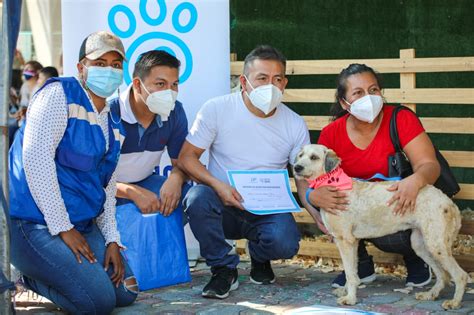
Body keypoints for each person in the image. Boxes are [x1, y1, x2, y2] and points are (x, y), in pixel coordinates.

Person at [9, 30, 138, 314]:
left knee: (126, 291)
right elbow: (36, 158)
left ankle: (58, 274)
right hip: (35, 225)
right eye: (100, 63)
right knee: (98, 303)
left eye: (116, 65)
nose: (109, 71)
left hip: (80, 223)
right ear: (82, 68)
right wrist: (63, 227)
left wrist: (112, 240)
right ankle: (29, 280)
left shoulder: (113, 120)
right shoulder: (59, 95)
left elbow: (107, 188)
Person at [178, 45, 312, 299]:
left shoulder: (294, 123)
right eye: (262, 78)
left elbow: (303, 178)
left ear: (284, 83)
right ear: (244, 81)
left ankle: (260, 257)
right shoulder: (216, 109)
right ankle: (223, 269)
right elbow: (187, 157)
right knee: (196, 199)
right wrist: (218, 185)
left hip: (267, 208)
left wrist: (317, 214)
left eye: (277, 79)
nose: (270, 86)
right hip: (223, 202)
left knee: (285, 243)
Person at [307, 63, 440, 289]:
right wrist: (313, 197)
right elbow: (318, 180)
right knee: (333, 208)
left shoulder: (400, 119)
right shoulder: (331, 133)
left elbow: (430, 165)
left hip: (399, 203)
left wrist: (415, 181)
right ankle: (360, 266)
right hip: (356, 209)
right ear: (344, 103)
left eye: (373, 90)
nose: (368, 98)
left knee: (392, 236)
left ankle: (416, 259)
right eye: (358, 93)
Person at [110, 49, 189, 216]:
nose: (170, 92)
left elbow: (181, 162)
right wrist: (132, 192)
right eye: (160, 84)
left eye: (174, 84)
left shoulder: (175, 112)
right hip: (108, 189)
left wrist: (176, 178)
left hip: (147, 181)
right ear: (138, 85)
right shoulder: (109, 113)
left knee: (191, 198)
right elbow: (91, 179)